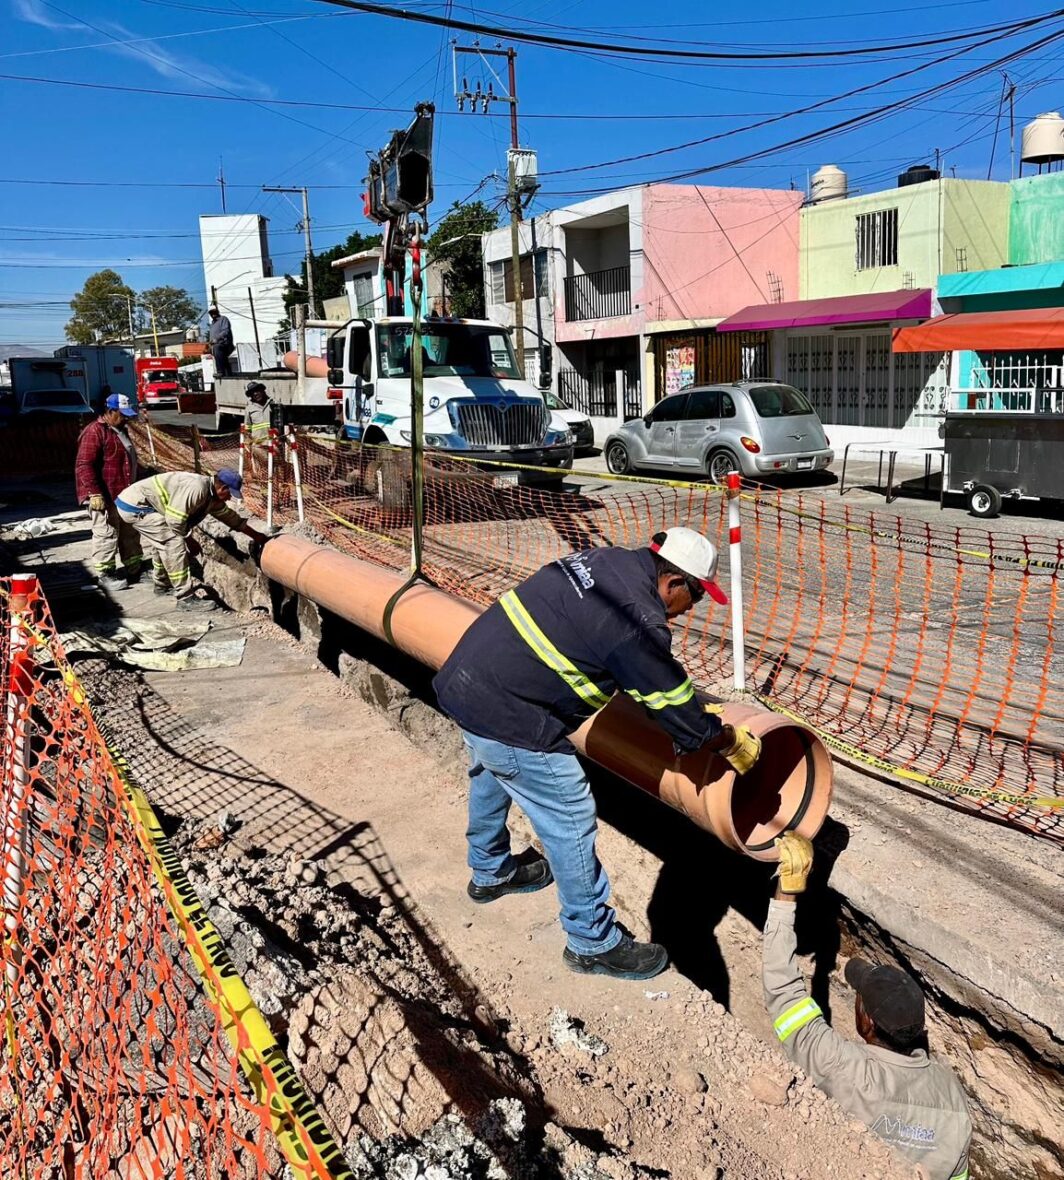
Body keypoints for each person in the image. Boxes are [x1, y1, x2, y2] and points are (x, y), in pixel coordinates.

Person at [433, 528, 762, 981]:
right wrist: (720, 739)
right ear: (674, 584)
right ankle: (592, 943)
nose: (691, 611)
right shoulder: (636, 618)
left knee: (491, 769)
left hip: (468, 681)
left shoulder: (605, 561)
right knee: (568, 813)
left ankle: (491, 871)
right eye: (698, 598)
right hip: (512, 710)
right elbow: (669, 701)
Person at [764, 833, 972, 1179]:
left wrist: (786, 895)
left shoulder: (849, 1071)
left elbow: (784, 993)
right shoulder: (954, 1099)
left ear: (865, 1021)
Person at [115, 469, 269, 612]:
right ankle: (185, 597)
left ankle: (162, 584)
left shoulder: (211, 497)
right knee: (172, 542)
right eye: (230, 494)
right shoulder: (197, 489)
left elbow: (231, 519)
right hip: (136, 506)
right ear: (222, 488)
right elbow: (174, 521)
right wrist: (190, 540)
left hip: (144, 505)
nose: (230, 498)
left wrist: (258, 537)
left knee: (161, 541)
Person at [74, 391, 143, 590]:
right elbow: (84, 464)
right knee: (106, 533)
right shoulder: (95, 431)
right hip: (104, 494)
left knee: (129, 532)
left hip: (124, 494)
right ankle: (106, 574)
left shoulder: (121, 430)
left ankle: (134, 568)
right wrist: (94, 493)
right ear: (110, 411)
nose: (126, 419)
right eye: (122, 415)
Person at [207, 306, 235, 378]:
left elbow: (226, 331)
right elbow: (212, 337)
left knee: (217, 348)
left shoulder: (223, 319)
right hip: (218, 346)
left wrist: (216, 339)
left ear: (217, 311)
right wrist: (210, 345)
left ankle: (220, 371)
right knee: (222, 358)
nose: (213, 314)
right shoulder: (213, 324)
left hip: (225, 344)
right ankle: (228, 374)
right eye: (211, 313)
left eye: (214, 312)